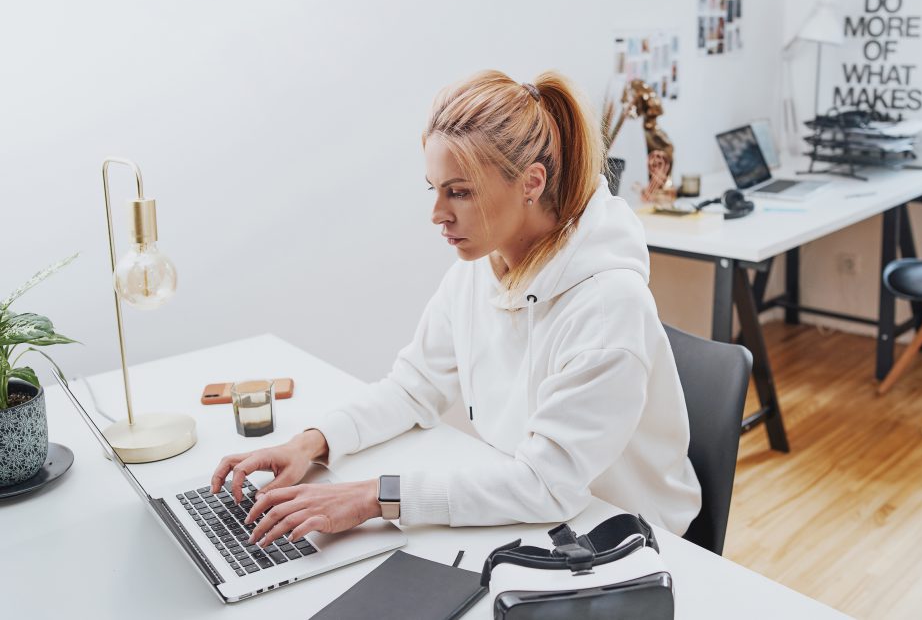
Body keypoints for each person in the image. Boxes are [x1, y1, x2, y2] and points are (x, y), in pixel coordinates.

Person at [209, 70, 701, 550]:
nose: (438, 214)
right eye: (435, 188)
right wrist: (310, 442)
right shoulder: (480, 268)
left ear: (531, 182)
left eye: (460, 192)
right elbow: (413, 387)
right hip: (529, 517)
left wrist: (374, 497)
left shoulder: (609, 304)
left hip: (625, 539)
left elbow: (548, 485)